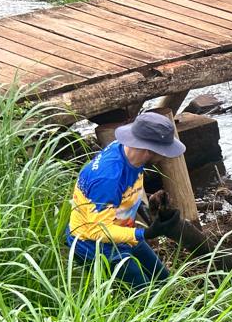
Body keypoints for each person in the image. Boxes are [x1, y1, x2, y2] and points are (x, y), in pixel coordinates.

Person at [66, 111, 186, 288]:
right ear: (149, 149)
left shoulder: (129, 153)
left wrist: (153, 212)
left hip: (121, 233)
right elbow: (98, 231)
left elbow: (126, 193)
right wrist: (145, 234)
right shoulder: (108, 178)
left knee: (164, 280)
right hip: (95, 246)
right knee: (148, 295)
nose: (165, 155)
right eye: (164, 151)